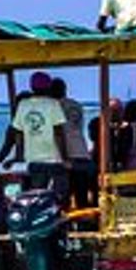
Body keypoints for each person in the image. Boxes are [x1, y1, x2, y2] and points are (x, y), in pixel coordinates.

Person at [0, 73, 70, 195]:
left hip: (32, 159)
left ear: (32, 87)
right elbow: (58, 133)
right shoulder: (53, 104)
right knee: (59, 195)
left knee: (36, 194)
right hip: (53, 159)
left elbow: (19, 135)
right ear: (48, 87)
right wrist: (64, 158)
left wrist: (19, 157)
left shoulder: (23, 105)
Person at [49, 78, 95, 206]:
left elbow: (58, 134)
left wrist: (63, 157)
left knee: (63, 198)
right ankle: (83, 224)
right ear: (65, 90)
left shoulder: (53, 107)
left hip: (64, 155)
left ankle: (66, 225)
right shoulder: (77, 105)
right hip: (82, 152)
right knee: (82, 196)